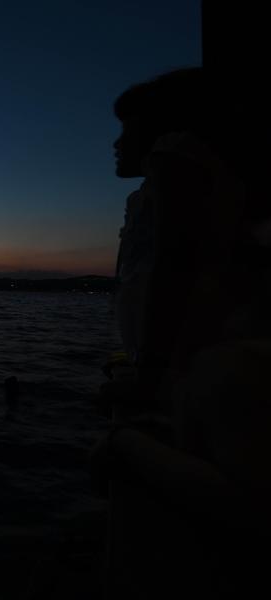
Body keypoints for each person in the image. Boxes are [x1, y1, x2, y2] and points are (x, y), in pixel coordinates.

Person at [91, 67, 271, 598]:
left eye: (128, 127)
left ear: (160, 126)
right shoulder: (178, 171)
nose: (117, 141)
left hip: (212, 361)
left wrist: (149, 373)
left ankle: (126, 447)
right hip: (197, 357)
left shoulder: (176, 155)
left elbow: (175, 264)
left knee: (242, 498)